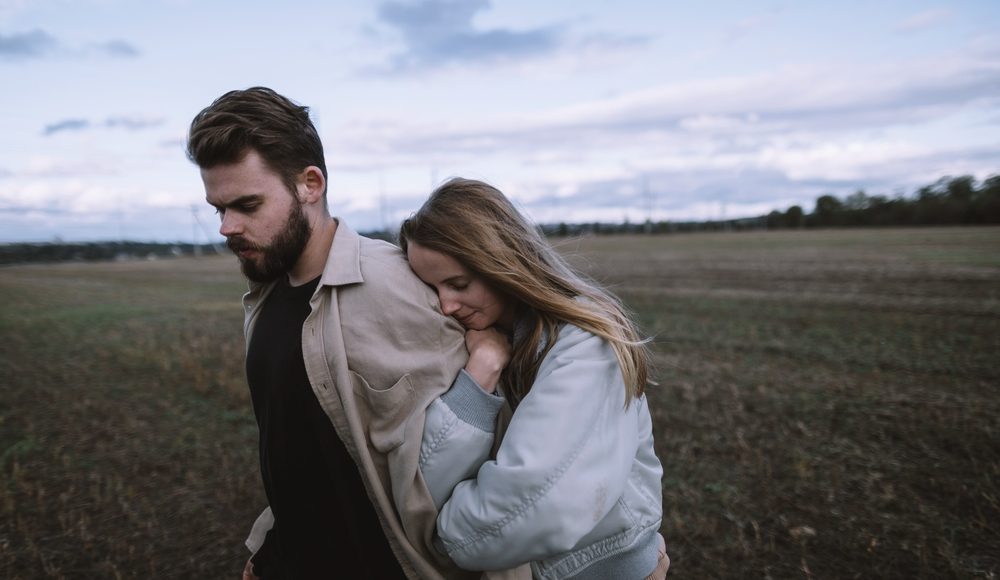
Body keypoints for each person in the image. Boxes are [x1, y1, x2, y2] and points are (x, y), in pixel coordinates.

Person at [186, 87, 487, 580]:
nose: (226, 227)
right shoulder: (264, 296)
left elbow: (517, 451)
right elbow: (301, 453)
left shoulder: (397, 286)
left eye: (247, 204)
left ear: (310, 183)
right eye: (219, 209)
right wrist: (272, 547)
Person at [400, 178, 670, 580]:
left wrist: (443, 535)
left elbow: (530, 509)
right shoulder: (484, 344)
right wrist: (481, 374)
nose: (446, 305)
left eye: (458, 284)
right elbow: (424, 489)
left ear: (502, 262)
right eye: (432, 289)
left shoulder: (585, 345)